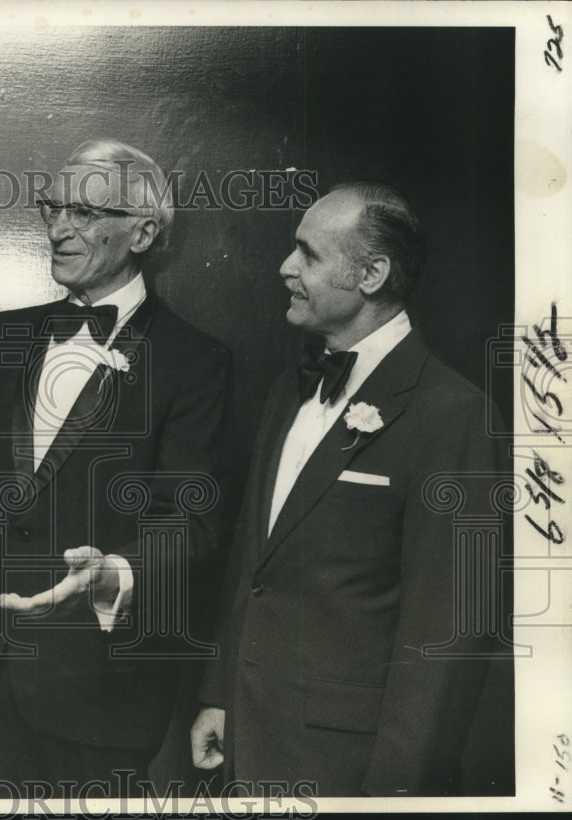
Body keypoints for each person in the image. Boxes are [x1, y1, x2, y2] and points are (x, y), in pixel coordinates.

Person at [0, 139, 232, 794]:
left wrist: (113, 571)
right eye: (52, 207)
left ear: (142, 231)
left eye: (84, 213)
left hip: (103, 691)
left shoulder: (197, 361)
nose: (58, 228)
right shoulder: (7, 333)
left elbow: (193, 525)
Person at [190, 183, 510, 796]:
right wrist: (220, 695)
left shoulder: (455, 415)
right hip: (250, 742)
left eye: (307, 254)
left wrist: (393, 794)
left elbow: (449, 634)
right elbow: (254, 567)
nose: (285, 268)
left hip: (350, 769)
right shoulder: (289, 389)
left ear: (372, 274)